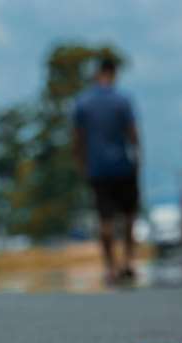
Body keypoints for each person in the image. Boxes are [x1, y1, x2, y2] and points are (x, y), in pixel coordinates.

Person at [72, 57, 141, 284]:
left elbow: (78, 139)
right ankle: (129, 262)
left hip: (98, 168)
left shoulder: (83, 103)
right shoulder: (122, 101)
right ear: (113, 74)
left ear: (97, 72)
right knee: (129, 215)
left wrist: (82, 164)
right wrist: (138, 158)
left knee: (105, 219)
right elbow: (132, 134)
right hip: (122, 165)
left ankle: (110, 267)